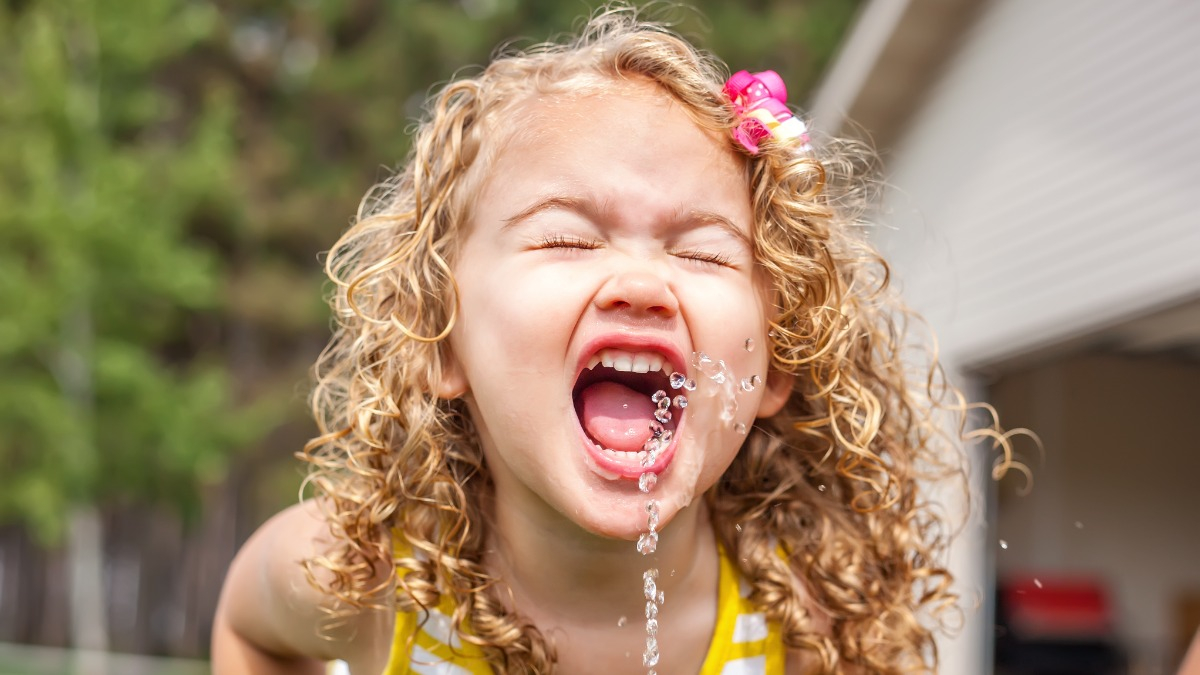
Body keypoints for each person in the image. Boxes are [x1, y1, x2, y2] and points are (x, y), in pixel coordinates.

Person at [213, 7, 1010, 674]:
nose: (641, 282)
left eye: (702, 251)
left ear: (779, 359)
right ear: (440, 336)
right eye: (566, 239)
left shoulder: (804, 630)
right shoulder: (372, 580)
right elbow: (250, 626)